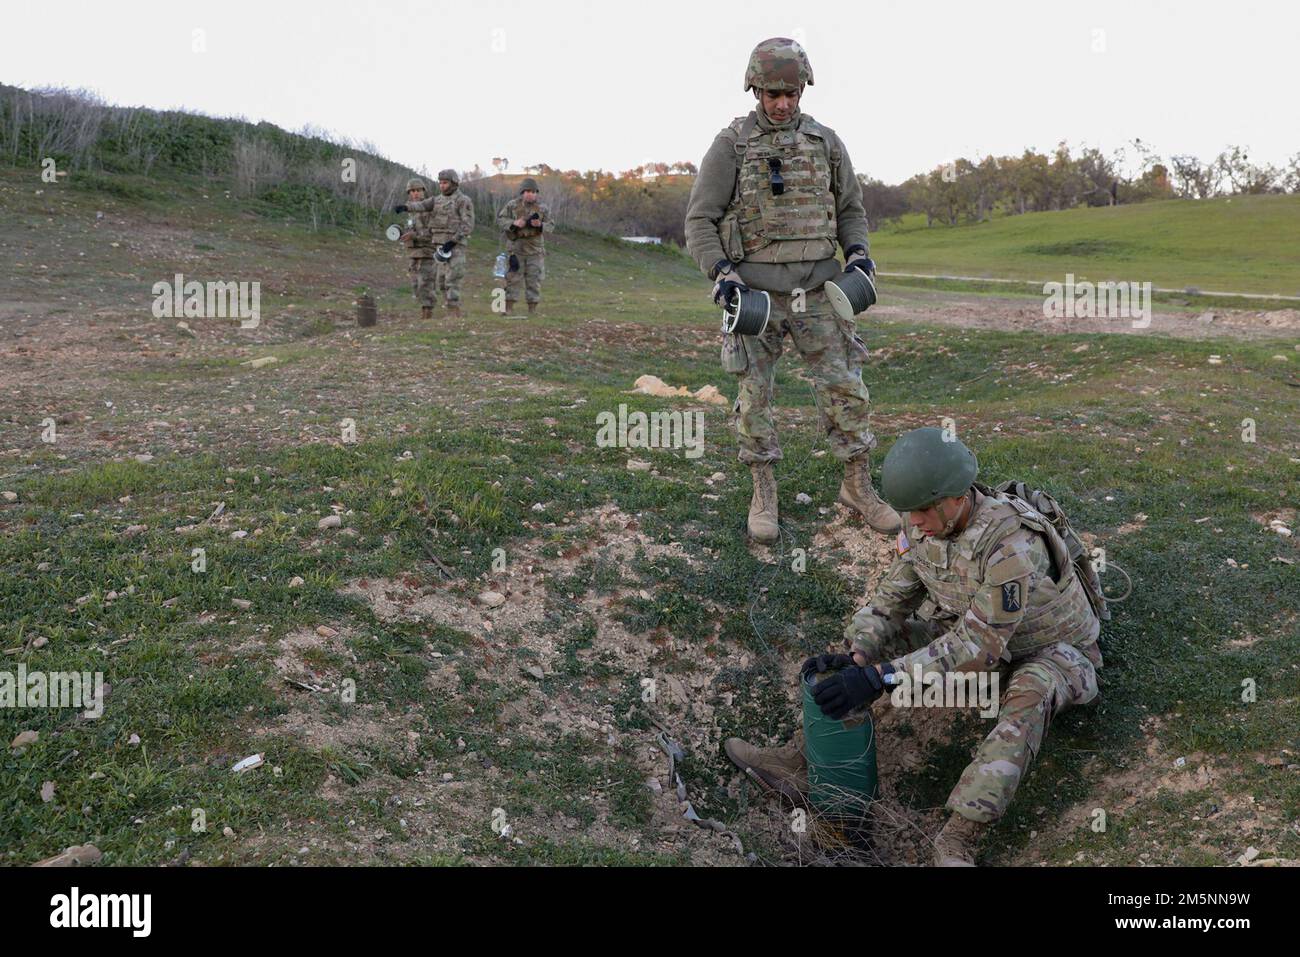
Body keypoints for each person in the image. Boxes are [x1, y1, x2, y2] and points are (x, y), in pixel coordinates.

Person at [725, 427, 1104, 866]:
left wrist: (883, 677)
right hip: (974, 629)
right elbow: (897, 593)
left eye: (923, 511)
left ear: (957, 498)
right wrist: (859, 654)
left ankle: (958, 839)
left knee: (1030, 693)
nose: (915, 523)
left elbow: (978, 647)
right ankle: (802, 760)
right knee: (865, 662)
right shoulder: (921, 518)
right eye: (910, 513)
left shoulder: (1011, 546)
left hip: (1051, 652)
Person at [685, 38, 899, 544]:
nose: (782, 102)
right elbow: (700, 219)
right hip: (757, 297)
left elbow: (850, 210)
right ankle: (763, 490)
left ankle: (858, 486)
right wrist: (721, 272)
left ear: (804, 87)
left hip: (821, 292)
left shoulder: (825, 142)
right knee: (754, 397)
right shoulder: (732, 144)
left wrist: (860, 254)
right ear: (755, 88)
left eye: (792, 92)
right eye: (772, 93)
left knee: (846, 388)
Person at [394, 169, 475, 318]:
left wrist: (453, 242)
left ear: (454, 183)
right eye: (441, 183)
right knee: (442, 281)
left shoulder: (463, 201)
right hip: (439, 247)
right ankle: (449, 312)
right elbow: (422, 205)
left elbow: (467, 225)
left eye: (445, 183)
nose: (442, 186)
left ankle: (453, 312)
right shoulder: (436, 200)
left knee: (452, 279)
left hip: (454, 246)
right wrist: (405, 207)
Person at [496, 177, 553, 316]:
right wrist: (514, 223)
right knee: (513, 279)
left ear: (536, 193)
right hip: (516, 249)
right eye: (527, 191)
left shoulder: (542, 208)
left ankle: (532, 310)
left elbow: (551, 225)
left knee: (534, 280)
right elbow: (500, 220)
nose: (530, 194)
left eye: (533, 191)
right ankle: (508, 308)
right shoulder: (512, 205)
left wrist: (540, 225)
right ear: (522, 192)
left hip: (535, 250)